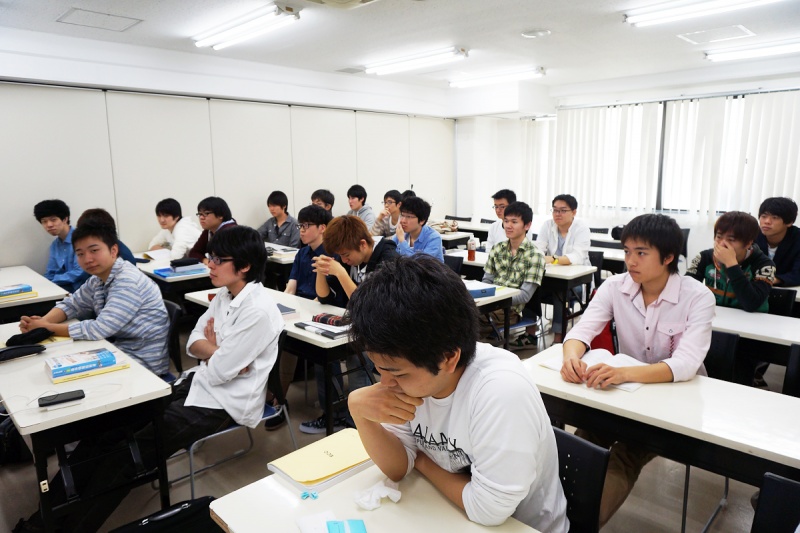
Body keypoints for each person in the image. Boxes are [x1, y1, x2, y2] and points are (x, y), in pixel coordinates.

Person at [14, 226, 282, 533]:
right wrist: (217, 351)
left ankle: (65, 529)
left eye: (218, 259)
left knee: (128, 458)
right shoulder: (225, 294)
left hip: (223, 402)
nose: (209, 264)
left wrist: (217, 355)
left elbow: (221, 371)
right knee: (105, 432)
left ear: (244, 266)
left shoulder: (259, 311)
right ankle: (44, 519)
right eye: (210, 256)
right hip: (195, 383)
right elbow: (193, 340)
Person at [347, 255, 569, 533]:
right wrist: (360, 413)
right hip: (446, 512)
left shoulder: (500, 392)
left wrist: (423, 461)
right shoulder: (414, 376)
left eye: (397, 373)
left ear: (449, 358)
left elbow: (488, 511)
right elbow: (398, 468)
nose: (385, 383)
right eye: (378, 368)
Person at [561, 213, 716, 527]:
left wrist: (623, 373)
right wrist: (571, 358)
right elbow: (581, 331)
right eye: (627, 251)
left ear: (669, 257)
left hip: (675, 401)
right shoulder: (615, 286)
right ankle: (550, 514)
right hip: (626, 394)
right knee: (582, 444)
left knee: (625, 454)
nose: (630, 261)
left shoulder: (698, 297)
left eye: (641, 253)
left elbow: (685, 364)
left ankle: (578, 526)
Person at [19, 220, 170, 376]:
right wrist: (43, 322)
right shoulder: (98, 278)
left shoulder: (127, 281)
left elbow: (99, 329)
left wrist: (45, 328)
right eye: (80, 254)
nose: (87, 259)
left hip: (141, 360)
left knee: (60, 372)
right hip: (113, 348)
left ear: (113, 251)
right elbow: (73, 304)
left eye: (94, 250)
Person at [299, 215, 398, 434]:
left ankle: (359, 424)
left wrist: (342, 273)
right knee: (321, 356)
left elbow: (369, 305)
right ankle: (332, 416)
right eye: (340, 256)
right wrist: (322, 271)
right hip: (357, 323)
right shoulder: (351, 257)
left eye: (345, 255)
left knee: (356, 356)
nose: (344, 260)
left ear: (363, 244)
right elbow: (324, 297)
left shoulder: (388, 258)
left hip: (385, 330)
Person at [686, 211, 775, 312]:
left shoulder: (764, 265)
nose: (722, 244)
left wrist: (731, 264)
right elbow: (685, 293)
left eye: (731, 239)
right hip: (716, 318)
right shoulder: (704, 257)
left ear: (748, 243)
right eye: (719, 237)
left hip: (751, 322)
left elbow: (752, 304)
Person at [534, 194, 591, 343]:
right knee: (531, 284)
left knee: (560, 291)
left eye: (563, 210)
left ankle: (558, 336)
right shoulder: (548, 225)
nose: (558, 214)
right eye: (555, 210)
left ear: (574, 212)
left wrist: (553, 259)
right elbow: (538, 249)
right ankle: (530, 331)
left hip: (576, 281)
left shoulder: (581, 228)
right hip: (553, 275)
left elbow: (577, 256)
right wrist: (540, 257)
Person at [482, 201, 545, 335]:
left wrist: (497, 298)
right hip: (489, 304)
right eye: (506, 221)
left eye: (514, 222)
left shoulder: (535, 255)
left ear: (527, 225)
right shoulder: (497, 249)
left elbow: (525, 295)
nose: (508, 226)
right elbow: (487, 280)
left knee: (464, 322)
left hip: (508, 310)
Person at [33, 199, 88, 292]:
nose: (49, 225)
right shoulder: (55, 245)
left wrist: (50, 282)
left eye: (53, 220)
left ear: (65, 219)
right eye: (44, 221)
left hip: (81, 291)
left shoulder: (81, 239)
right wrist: (43, 284)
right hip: (61, 289)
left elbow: (79, 272)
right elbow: (50, 272)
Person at [755, 197, 800, 287]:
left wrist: (774, 280)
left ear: (789, 222)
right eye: (764, 216)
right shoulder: (751, 235)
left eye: (774, 217)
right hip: (754, 291)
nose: (767, 221)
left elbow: (797, 274)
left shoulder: (797, 239)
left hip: (788, 294)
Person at [392, 196, 443, 261]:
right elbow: (389, 255)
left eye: (409, 217)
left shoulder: (433, 238)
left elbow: (418, 265)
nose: (403, 221)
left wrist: (402, 241)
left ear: (422, 220)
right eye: (402, 215)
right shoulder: (400, 235)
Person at [188, 196, 237, 263]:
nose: (201, 217)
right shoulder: (209, 230)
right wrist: (206, 261)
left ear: (220, 215)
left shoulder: (231, 232)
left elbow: (227, 261)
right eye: (200, 214)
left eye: (206, 213)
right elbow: (194, 253)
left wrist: (210, 262)